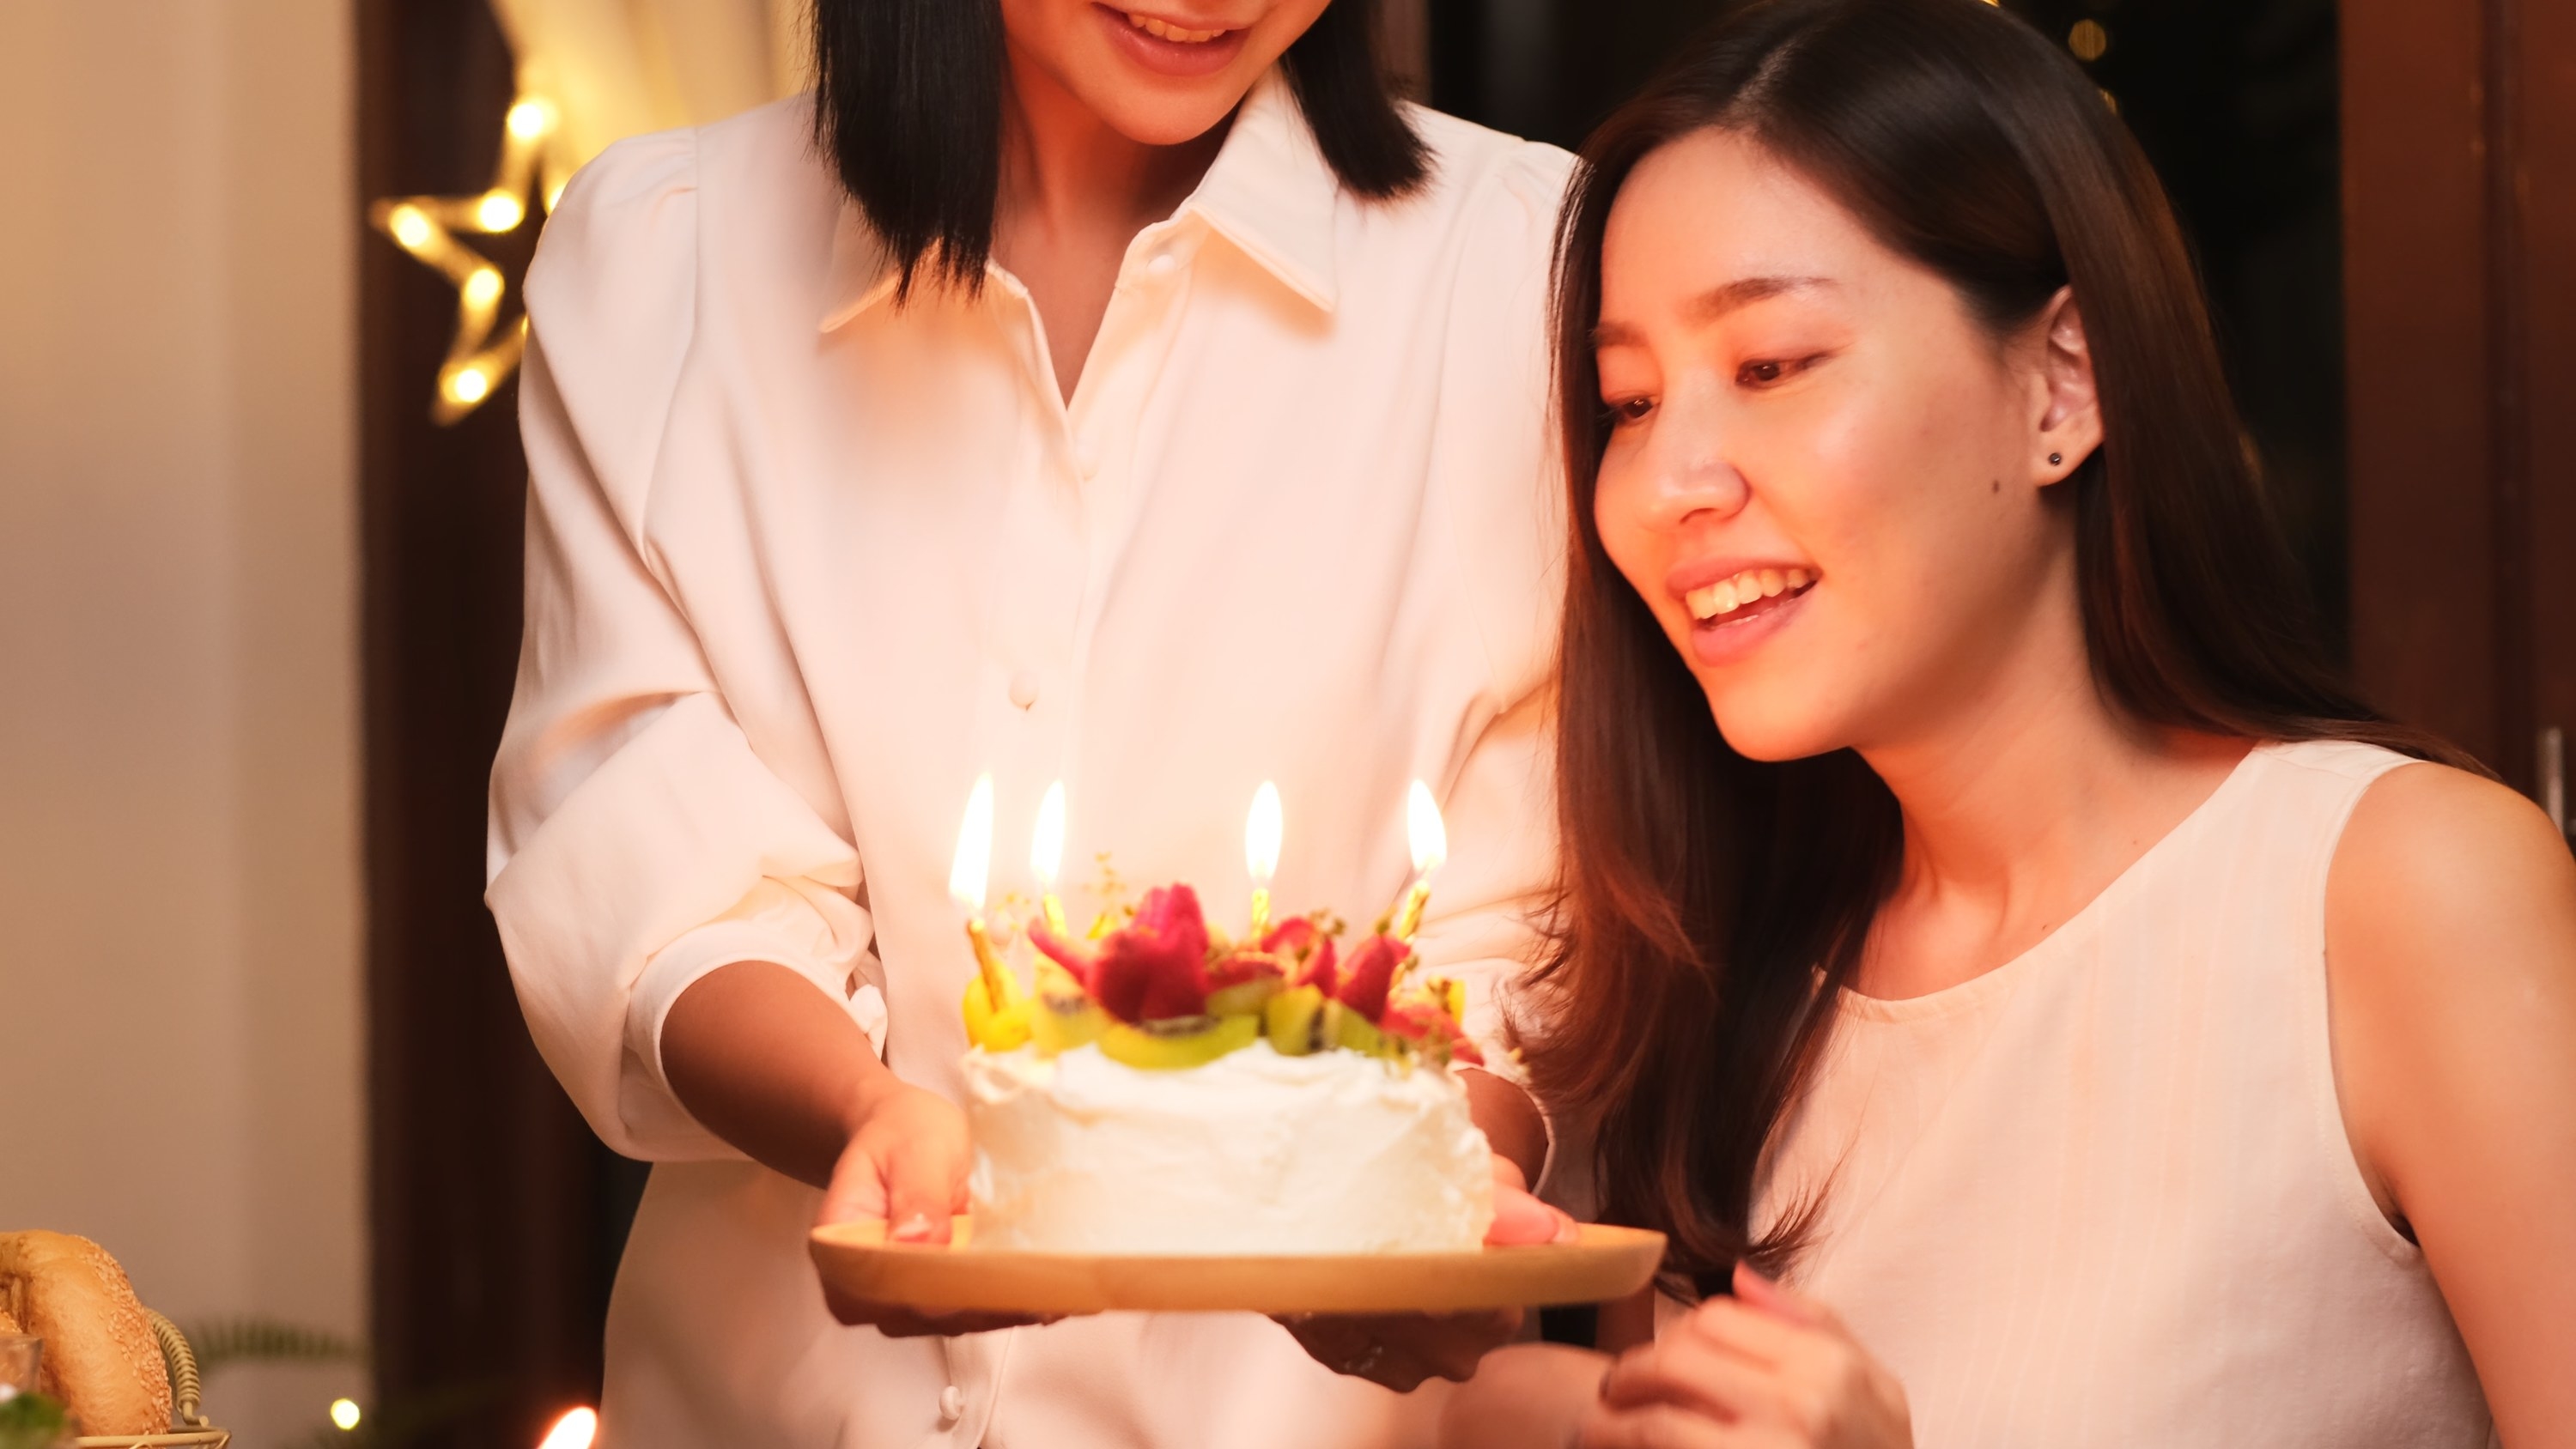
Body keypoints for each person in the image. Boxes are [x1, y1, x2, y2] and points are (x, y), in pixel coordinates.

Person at [1443, 0, 2576, 1445]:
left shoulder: (2397, 892)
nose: (1671, 481)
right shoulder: (1720, 993)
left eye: (1774, 366)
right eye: (1628, 400)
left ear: (2064, 382)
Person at [485, 2, 1577, 1445]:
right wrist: (867, 1115)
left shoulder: (1521, 266)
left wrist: (1434, 1192)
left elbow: (1524, 919)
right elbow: (633, 839)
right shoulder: (662, 254)